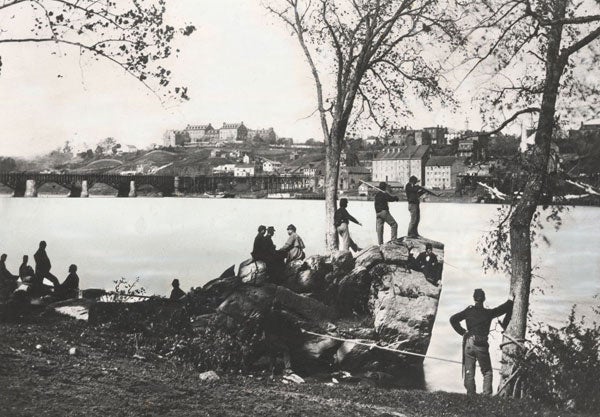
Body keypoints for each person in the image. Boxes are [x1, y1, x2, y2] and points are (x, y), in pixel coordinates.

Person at [450, 289, 513, 395]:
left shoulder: (468, 311)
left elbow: (453, 319)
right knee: (487, 371)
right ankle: (486, 396)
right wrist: (510, 301)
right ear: (484, 299)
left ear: (474, 299)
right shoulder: (488, 313)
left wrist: (463, 332)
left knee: (469, 371)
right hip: (481, 344)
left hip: (469, 342)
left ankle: (471, 395)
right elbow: (502, 309)